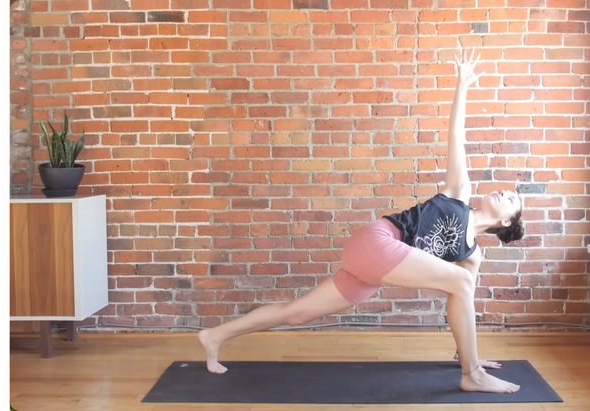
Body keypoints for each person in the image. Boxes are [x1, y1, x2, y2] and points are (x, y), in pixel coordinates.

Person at [199, 47, 524, 394]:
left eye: (512, 200)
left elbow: (461, 303)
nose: (504, 193)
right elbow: (455, 136)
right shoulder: (459, 193)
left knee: (296, 314)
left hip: (369, 269)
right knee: (461, 281)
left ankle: (214, 336)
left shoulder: (471, 255)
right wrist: (462, 85)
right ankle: (471, 375)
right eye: (506, 190)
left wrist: (466, 351)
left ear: (506, 222)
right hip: (379, 241)